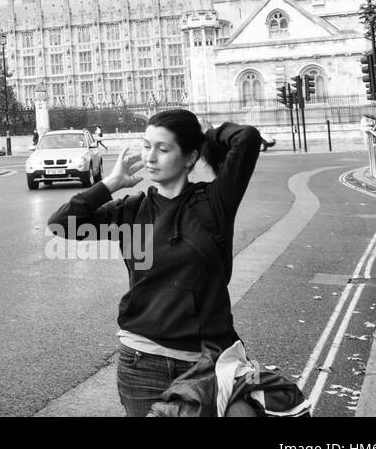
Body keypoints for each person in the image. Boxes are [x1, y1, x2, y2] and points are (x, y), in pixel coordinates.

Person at [47, 109, 264, 417]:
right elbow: (61, 225)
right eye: (147, 146)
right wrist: (110, 183)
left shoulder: (214, 203)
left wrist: (209, 133)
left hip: (207, 362)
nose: (150, 156)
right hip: (142, 365)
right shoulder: (130, 213)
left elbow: (247, 138)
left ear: (189, 158)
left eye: (163, 149)